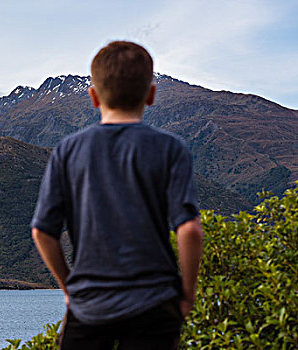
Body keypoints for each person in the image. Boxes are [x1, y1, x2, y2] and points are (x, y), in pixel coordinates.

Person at [30, 41, 204, 349]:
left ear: (94, 96)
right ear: (150, 94)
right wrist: (187, 294)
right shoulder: (170, 149)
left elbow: (43, 231)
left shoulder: (68, 151)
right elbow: (189, 229)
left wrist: (69, 286)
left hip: (88, 306)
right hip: (155, 305)